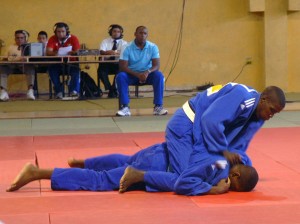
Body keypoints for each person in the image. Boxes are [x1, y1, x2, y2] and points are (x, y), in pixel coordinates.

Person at [6, 142, 258, 196]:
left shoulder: (231, 155)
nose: (230, 187)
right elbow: (182, 182)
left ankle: (88, 160)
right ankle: (37, 172)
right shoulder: (217, 168)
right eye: (233, 185)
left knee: (126, 159)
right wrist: (213, 189)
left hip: (158, 150)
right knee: (102, 181)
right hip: (158, 164)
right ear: (234, 175)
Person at [164, 82, 286, 179]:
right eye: (271, 110)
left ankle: (175, 155)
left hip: (204, 132)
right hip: (187, 123)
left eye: (275, 113)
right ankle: (145, 176)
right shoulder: (242, 96)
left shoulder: (259, 117)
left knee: (245, 165)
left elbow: (238, 146)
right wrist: (223, 151)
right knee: (186, 177)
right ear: (263, 100)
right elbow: (210, 120)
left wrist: (235, 160)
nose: (271, 115)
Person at [116, 26, 168, 116]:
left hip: (147, 75)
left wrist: (147, 72)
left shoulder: (153, 47)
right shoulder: (126, 47)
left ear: (147, 35)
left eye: (145, 33)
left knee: (159, 75)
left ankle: (158, 107)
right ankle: (125, 107)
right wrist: (137, 75)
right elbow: (122, 67)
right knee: (121, 76)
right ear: (135, 34)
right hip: (131, 75)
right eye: (140, 33)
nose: (143, 35)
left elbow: (156, 65)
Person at [46, 22, 80, 99]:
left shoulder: (73, 38)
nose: (61, 34)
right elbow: (48, 52)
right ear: (55, 32)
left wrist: (73, 52)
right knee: (51, 70)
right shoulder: (52, 38)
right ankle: (59, 91)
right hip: (57, 63)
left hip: (71, 62)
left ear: (67, 31)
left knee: (76, 71)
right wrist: (56, 53)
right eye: (58, 32)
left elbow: (78, 51)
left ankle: (74, 91)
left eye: (63, 31)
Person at [0, 30, 36, 101]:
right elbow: (4, 58)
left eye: (21, 38)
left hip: (24, 65)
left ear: (25, 38)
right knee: (2, 68)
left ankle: (30, 91)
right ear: (15, 38)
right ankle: (3, 92)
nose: (19, 40)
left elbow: (35, 58)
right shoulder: (10, 47)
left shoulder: (29, 46)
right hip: (11, 65)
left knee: (30, 67)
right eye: (17, 38)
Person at [98, 24, 127, 98]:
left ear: (121, 33)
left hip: (118, 64)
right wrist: (110, 52)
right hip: (106, 64)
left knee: (120, 72)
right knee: (101, 71)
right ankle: (110, 89)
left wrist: (110, 52)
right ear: (111, 32)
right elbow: (102, 52)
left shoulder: (124, 43)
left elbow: (124, 54)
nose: (116, 33)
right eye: (114, 31)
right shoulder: (105, 41)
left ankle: (113, 89)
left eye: (118, 32)